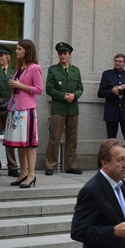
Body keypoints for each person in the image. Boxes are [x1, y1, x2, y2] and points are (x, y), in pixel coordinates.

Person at [3, 39, 43, 189]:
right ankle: (23, 172)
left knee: (30, 144)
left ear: (27, 50)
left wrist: (20, 85)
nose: (16, 51)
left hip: (27, 110)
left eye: (19, 49)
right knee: (20, 144)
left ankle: (31, 174)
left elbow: (39, 89)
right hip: (15, 108)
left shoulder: (35, 68)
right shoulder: (19, 68)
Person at [45, 42, 84, 175]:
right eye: (60, 53)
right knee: (54, 137)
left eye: (65, 53)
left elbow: (80, 88)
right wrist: (63, 96)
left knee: (72, 139)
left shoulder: (75, 70)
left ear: (69, 55)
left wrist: (75, 95)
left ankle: (71, 166)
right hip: (58, 109)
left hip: (73, 109)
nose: (62, 56)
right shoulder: (53, 70)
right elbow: (49, 89)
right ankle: (50, 165)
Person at [97, 53, 125, 173]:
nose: (118, 63)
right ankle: (110, 164)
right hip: (111, 111)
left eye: (120, 61)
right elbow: (100, 93)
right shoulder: (107, 74)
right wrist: (111, 91)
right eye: (116, 61)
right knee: (111, 140)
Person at [0, 45, 18, 178]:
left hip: (11, 109)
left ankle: (12, 166)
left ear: (8, 57)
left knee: (10, 138)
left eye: (2, 55)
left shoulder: (14, 72)